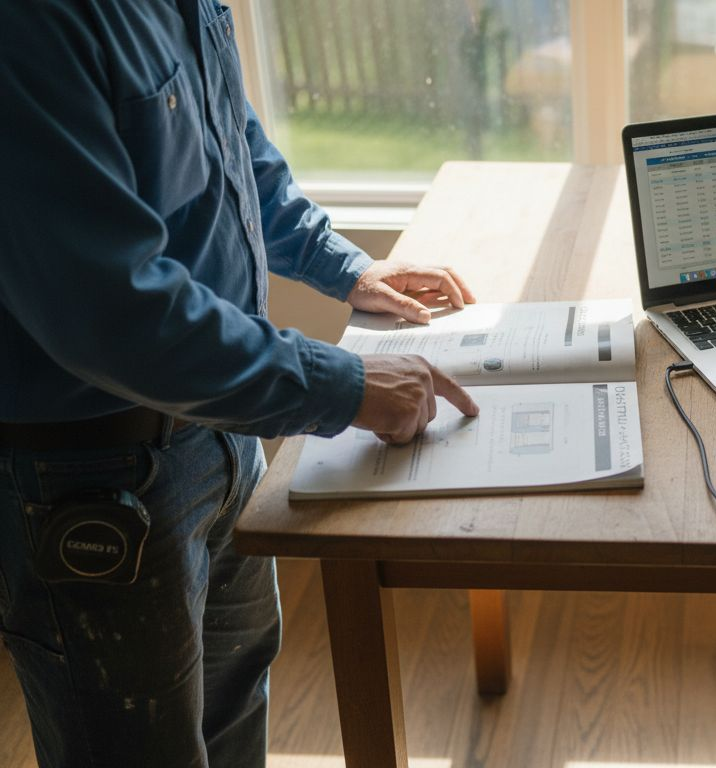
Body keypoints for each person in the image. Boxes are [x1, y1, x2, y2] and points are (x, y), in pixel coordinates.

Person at [0, 2, 478, 766]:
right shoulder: (31, 27)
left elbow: (234, 152)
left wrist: (345, 266)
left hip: (221, 431)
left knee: (233, 713)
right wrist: (343, 385)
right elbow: (111, 313)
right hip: (94, 474)